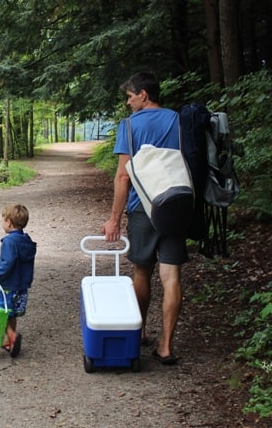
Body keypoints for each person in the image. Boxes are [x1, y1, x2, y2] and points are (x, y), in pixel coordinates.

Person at [101, 72, 188, 365]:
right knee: (171, 274)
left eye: (130, 96)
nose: (128, 102)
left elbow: (123, 176)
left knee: (142, 271)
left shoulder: (128, 127)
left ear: (144, 95)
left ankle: (137, 333)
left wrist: (114, 218)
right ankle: (165, 345)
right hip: (176, 203)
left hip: (143, 207)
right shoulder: (178, 120)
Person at [0, 204, 37, 358]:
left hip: (8, 286)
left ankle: (11, 336)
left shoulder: (9, 242)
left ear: (8, 222)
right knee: (11, 313)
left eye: (3, 220)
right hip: (21, 286)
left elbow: (7, 262)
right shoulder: (26, 240)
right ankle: (10, 340)